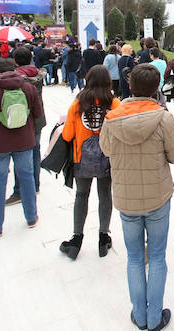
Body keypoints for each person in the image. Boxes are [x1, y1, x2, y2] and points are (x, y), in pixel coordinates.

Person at [101, 63, 174, 331]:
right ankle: (154, 316)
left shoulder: (112, 117)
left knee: (135, 258)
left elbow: (106, 149)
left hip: (126, 197)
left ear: (130, 86)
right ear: (157, 88)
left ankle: (139, 314)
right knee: (157, 257)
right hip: (158, 196)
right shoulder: (163, 117)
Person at [0, 58, 43, 239]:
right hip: (24, 140)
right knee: (26, 178)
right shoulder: (28, 88)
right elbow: (37, 114)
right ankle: (31, 216)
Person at [58, 65, 120, 259]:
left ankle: (76, 240)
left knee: (81, 196)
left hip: (81, 158)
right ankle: (103, 237)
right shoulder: (114, 103)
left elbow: (67, 135)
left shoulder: (77, 104)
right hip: (106, 157)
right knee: (105, 195)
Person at [6, 47, 47, 205]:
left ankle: (20, 190)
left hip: (21, 120)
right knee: (35, 152)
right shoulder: (37, 74)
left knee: (21, 155)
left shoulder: (15, 79)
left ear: (15, 60)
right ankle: (34, 184)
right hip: (38, 118)